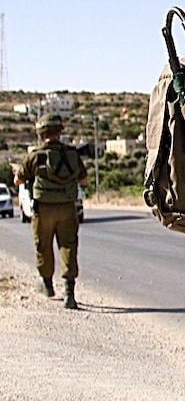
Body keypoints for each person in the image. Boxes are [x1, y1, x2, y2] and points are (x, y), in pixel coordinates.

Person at [14, 114, 88, 309]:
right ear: (60, 132)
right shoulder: (72, 154)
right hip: (67, 207)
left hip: (43, 208)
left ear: (42, 133)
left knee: (43, 246)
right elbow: (84, 180)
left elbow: (18, 180)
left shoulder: (35, 155)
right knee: (68, 246)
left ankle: (47, 285)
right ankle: (69, 293)